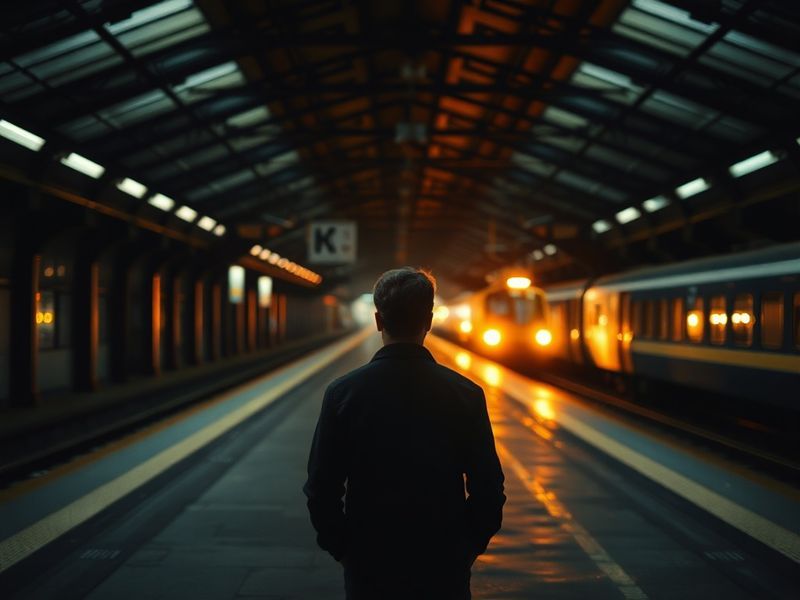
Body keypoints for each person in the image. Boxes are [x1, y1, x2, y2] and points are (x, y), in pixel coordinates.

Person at [304, 267, 505, 599]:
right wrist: (467, 546)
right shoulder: (465, 394)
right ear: (429, 320)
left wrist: (344, 549)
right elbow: (489, 488)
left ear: (378, 321)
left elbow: (321, 488)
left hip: (369, 561)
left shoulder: (343, 394)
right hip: (443, 562)